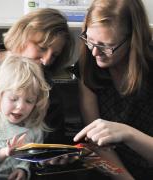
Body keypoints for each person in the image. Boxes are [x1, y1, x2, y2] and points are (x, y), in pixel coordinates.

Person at [73, 0, 153, 179]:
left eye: (106, 46)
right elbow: (95, 147)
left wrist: (128, 134)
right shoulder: (88, 65)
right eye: (89, 40)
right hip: (111, 170)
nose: (94, 52)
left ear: (133, 38)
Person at [0, 8, 74, 144]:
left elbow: (54, 144)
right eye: (42, 48)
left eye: (54, 55)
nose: (46, 60)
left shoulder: (49, 92)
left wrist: (53, 157)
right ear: (22, 36)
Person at [0, 55, 50, 179]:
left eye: (29, 101)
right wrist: (4, 152)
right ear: (0, 95)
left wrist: (23, 169)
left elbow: (29, 160)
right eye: (13, 99)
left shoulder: (35, 129)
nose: (20, 106)